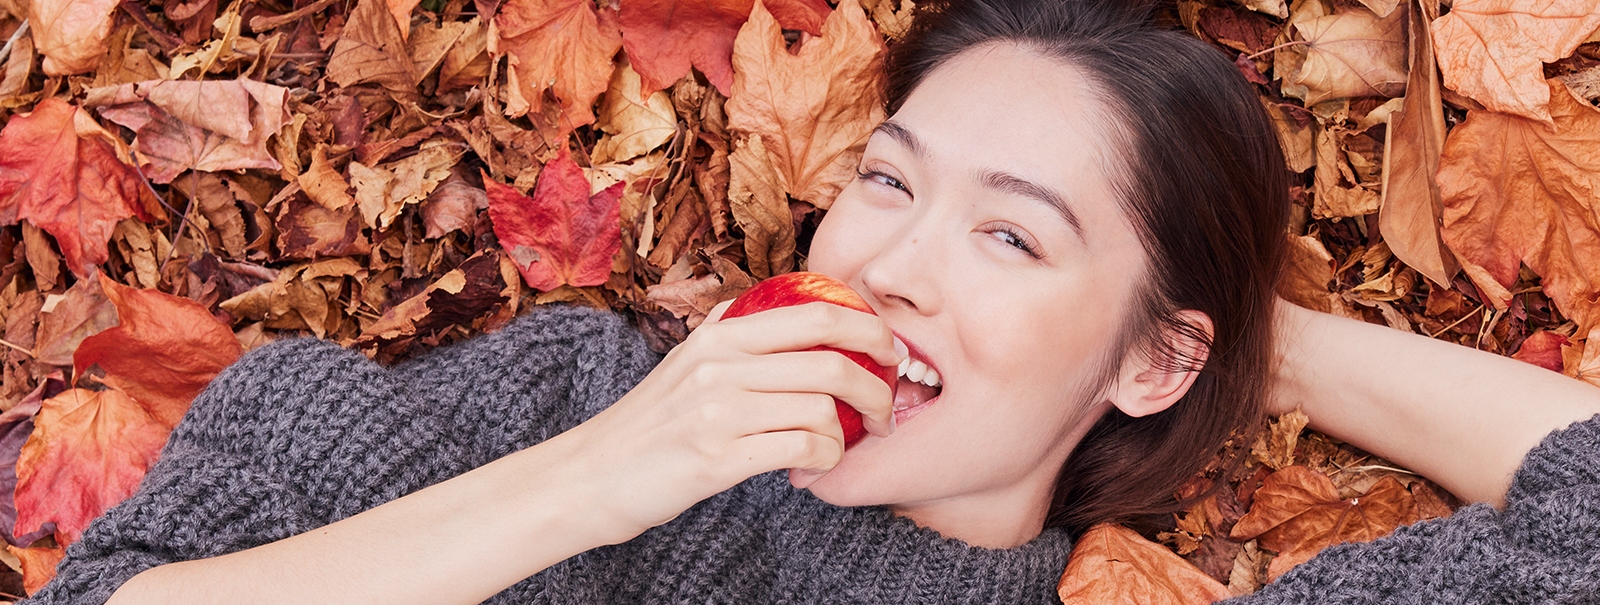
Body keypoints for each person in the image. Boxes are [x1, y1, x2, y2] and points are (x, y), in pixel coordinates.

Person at [29, 0, 1600, 603]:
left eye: (1013, 238)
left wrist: (1246, 341)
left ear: (1149, 355)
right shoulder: (564, 398)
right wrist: (598, 479)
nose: (893, 263)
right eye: (894, 183)